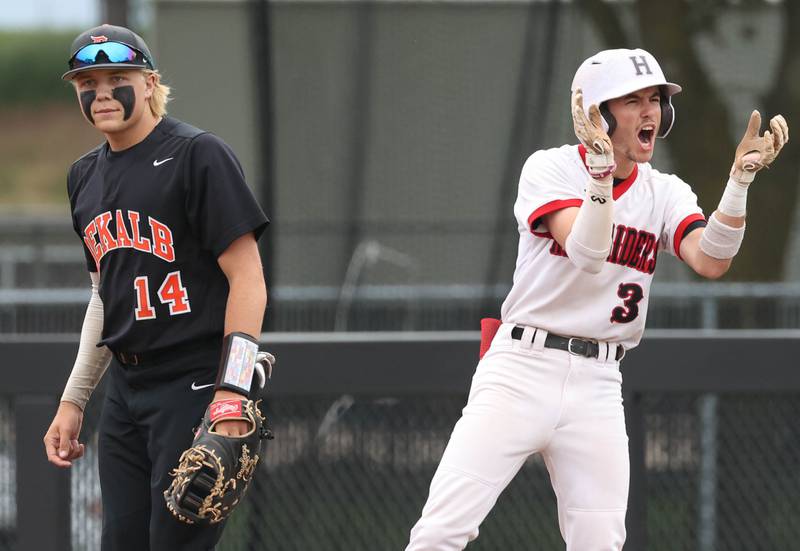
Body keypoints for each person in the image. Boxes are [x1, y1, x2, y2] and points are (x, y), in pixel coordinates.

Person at [406, 48, 788, 550]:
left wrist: (738, 185)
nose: (651, 111)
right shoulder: (549, 168)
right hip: (522, 367)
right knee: (442, 530)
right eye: (632, 101)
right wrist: (601, 176)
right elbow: (588, 252)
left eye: (655, 100)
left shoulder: (665, 191)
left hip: (599, 381)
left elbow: (711, 259)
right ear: (596, 114)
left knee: (599, 542)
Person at [42, 24, 272, 550]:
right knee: (121, 541)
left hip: (193, 382)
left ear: (149, 83)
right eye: (87, 82)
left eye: (117, 77)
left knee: (176, 543)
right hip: (126, 390)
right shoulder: (84, 177)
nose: (101, 92)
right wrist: (75, 400)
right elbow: (104, 297)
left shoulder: (197, 155)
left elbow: (249, 280)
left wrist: (231, 393)